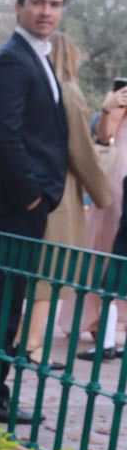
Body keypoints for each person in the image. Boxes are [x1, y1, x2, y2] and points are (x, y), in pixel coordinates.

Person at [0, 0, 69, 425]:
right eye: (37, 2)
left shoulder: (38, 57)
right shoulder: (13, 58)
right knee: (1, 306)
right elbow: (5, 136)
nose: (45, 11)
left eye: (53, 4)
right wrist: (34, 196)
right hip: (14, 204)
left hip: (24, 205)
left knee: (7, 303)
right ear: (18, 7)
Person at [23, 34, 114, 367]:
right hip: (61, 189)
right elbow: (80, 149)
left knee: (38, 267)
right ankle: (31, 343)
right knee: (52, 268)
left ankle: (24, 337)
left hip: (35, 184)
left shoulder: (39, 88)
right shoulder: (68, 91)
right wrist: (103, 193)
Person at [71, 78, 127, 360]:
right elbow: (105, 136)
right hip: (120, 175)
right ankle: (99, 327)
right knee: (108, 247)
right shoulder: (123, 95)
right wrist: (107, 110)